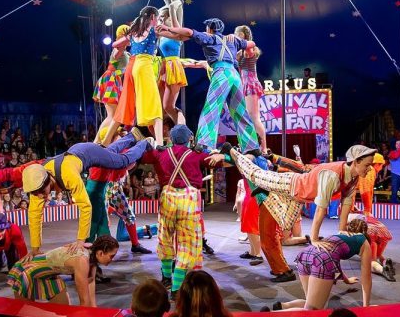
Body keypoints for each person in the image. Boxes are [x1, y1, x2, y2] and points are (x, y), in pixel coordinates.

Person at [226, 144, 377, 283]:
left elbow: (346, 204)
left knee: (285, 224)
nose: (370, 169)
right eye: (367, 165)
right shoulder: (332, 175)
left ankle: (268, 190)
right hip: (290, 185)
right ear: (355, 162)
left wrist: (342, 230)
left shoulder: (353, 177)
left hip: (296, 199)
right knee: (255, 174)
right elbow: (321, 208)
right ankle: (231, 150)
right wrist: (314, 238)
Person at [21, 138, 152, 258]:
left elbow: (85, 206)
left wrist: (80, 240)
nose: (41, 196)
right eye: (36, 194)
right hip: (76, 157)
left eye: (42, 192)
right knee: (111, 151)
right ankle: (131, 136)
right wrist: (35, 249)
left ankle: (144, 143)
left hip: (88, 152)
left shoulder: (68, 175)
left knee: (121, 161)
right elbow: (34, 215)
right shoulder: (36, 182)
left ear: (49, 179)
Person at [140, 125, 226, 298]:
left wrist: (148, 145)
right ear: (189, 139)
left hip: (168, 197)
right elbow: (220, 161)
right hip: (189, 199)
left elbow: (141, 156)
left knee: (165, 238)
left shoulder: (160, 153)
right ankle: (176, 289)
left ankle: (166, 278)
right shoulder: (196, 154)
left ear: (171, 139)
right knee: (187, 244)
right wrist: (223, 154)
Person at [159, 18, 261, 154]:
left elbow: (188, 32)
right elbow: (252, 43)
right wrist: (235, 38)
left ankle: (204, 144)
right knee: (240, 111)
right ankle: (252, 147)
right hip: (235, 75)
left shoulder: (209, 37)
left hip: (221, 73)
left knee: (211, 108)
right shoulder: (232, 40)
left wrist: (169, 28)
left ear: (210, 29)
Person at [263, 218, 372, 311]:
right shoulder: (364, 241)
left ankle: (283, 306)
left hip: (306, 254)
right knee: (313, 310)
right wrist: (366, 307)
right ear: (365, 232)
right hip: (322, 260)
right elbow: (366, 277)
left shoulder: (341, 234)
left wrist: (346, 280)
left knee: (311, 303)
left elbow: (334, 260)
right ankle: (271, 314)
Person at [103, 7, 165, 147]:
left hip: (131, 67)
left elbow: (114, 44)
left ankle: (106, 140)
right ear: (152, 17)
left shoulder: (134, 32)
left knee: (124, 104)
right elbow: (176, 35)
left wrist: (127, 41)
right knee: (154, 103)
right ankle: (160, 144)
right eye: (157, 18)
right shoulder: (154, 30)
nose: (158, 21)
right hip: (143, 65)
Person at [7, 235, 119, 307]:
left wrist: (95, 312)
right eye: (111, 256)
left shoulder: (93, 251)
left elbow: (90, 283)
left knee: (64, 311)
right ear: (100, 253)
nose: (112, 259)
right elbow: (84, 302)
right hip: (27, 270)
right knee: (25, 311)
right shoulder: (82, 261)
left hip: (49, 275)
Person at [93, 25, 132, 139]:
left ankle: (102, 139)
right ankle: (97, 140)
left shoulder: (126, 52)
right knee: (112, 115)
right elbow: (115, 55)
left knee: (114, 115)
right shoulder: (119, 49)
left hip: (116, 80)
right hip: (111, 79)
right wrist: (124, 43)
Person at [234, 25, 267, 153]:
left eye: (238, 33)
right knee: (248, 117)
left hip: (250, 84)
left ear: (244, 35)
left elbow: (249, 46)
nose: (236, 35)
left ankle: (264, 148)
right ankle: (252, 145)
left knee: (254, 117)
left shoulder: (249, 49)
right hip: (244, 84)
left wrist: (242, 42)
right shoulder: (240, 52)